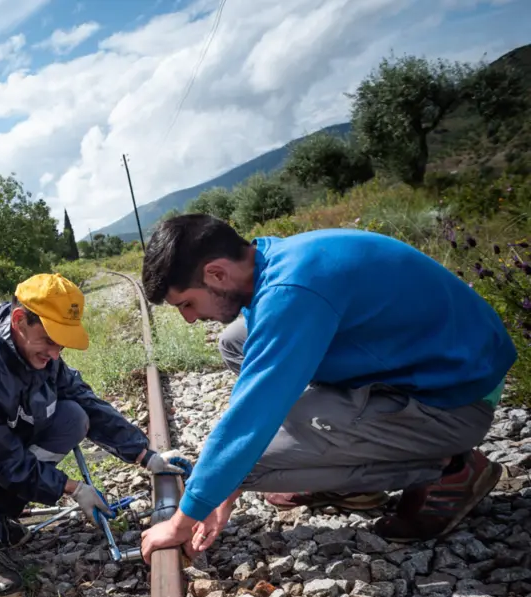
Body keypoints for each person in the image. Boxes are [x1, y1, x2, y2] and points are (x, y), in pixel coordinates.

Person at [136, 214, 517, 562]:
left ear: (217, 274)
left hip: (457, 400)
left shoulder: (292, 291)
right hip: (437, 363)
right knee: (235, 341)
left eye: (186, 303)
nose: (188, 319)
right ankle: (350, 482)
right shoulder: (272, 259)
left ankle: (448, 469)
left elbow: (251, 419)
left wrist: (187, 516)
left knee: (249, 465)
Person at [0, 273, 193, 597]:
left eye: (61, 343)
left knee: (74, 416)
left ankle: (1, 514)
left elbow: (86, 399)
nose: (55, 352)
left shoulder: (38, 353)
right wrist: (74, 488)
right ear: (20, 320)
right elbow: (4, 461)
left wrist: (145, 455)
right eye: (50, 340)